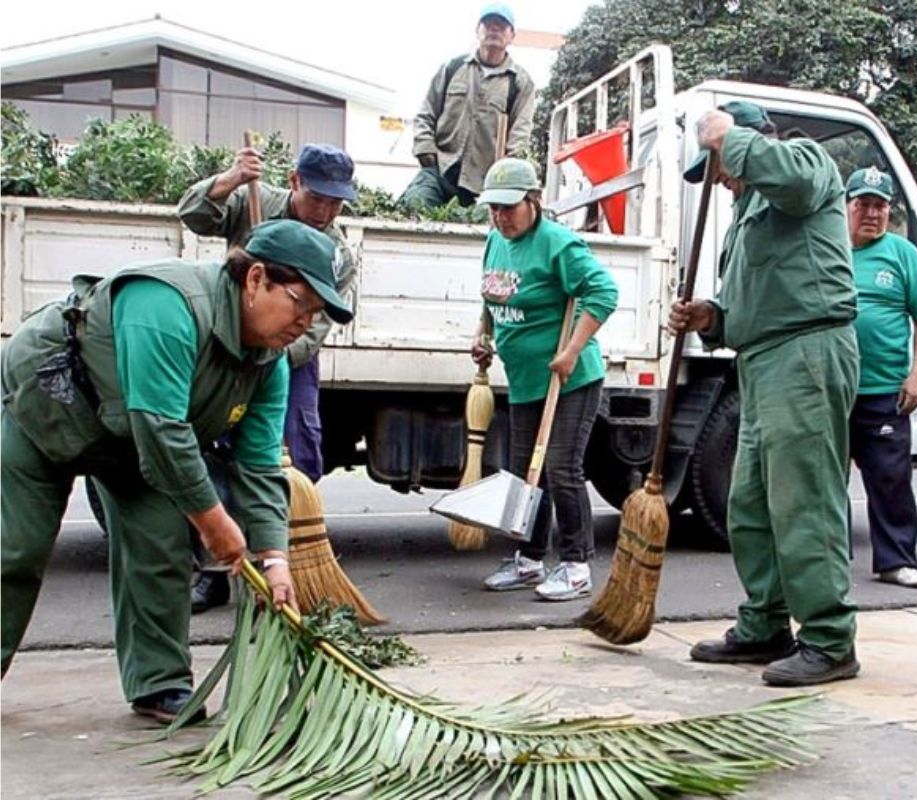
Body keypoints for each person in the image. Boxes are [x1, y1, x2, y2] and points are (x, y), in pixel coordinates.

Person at [1, 219, 353, 723]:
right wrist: (217, 525)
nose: (305, 323)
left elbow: (257, 464)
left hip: (129, 443)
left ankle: (157, 683)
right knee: (15, 548)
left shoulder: (267, 363)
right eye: (301, 304)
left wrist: (274, 558)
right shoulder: (166, 305)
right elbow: (162, 428)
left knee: (161, 541)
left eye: (317, 314)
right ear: (256, 279)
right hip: (48, 406)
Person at [669, 101, 861, 687]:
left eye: (724, 163)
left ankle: (830, 639)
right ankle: (765, 623)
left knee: (803, 499)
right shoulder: (747, 212)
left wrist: (730, 137)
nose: (722, 179)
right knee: (749, 504)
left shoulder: (805, 164)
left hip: (807, 351)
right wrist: (712, 316)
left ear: (755, 140)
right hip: (761, 359)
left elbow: (795, 182)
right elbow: (754, 301)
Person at [177, 142, 358, 611]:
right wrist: (231, 178)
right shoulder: (254, 201)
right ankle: (215, 569)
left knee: (296, 456)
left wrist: (271, 349)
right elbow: (194, 213)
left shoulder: (338, 253)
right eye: (318, 197)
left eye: (337, 201)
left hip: (286, 359)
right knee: (215, 457)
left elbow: (313, 328)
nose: (326, 210)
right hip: (227, 344)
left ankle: (281, 569)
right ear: (295, 182)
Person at [470, 158, 618, 601]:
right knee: (523, 473)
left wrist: (571, 351)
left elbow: (604, 293)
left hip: (570, 378)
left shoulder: (558, 243)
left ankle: (575, 567)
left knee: (560, 467)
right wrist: (484, 336)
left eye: (509, 207)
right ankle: (530, 561)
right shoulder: (495, 240)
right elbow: (491, 295)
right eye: (493, 208)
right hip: (525, 379)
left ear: (533, 201)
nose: (500, 216)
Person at [844, 167, 917, 589]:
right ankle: (827, 562)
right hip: (832, 387)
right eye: (863, 204)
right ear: (846, 206)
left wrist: (916, 374)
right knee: (824, 479)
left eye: (880, 205)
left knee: (890, 477)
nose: (872, 213)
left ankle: (896, 560)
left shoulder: (902, 254)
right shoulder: (828, 249)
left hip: (884, 388)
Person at [401, 3, 536, 209]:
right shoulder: (453, 68)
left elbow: (520, 135)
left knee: (488, 226)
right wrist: (426, 149)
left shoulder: (520, 83)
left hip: (485, 183)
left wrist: (504, 177)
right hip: (441, 169)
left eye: (500, 26)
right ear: (477, 30)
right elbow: (425, 114)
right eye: (488, 24)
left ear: (512, 36)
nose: (494, 30)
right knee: (413, 203)